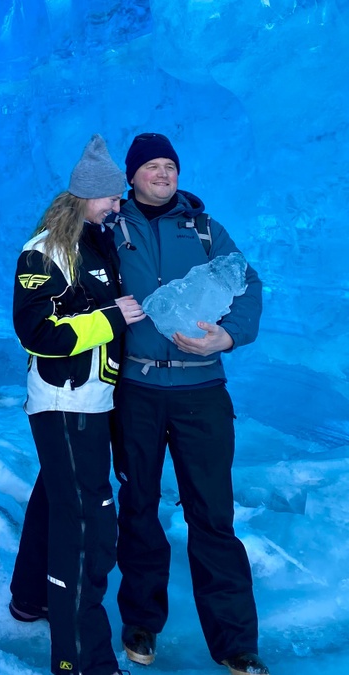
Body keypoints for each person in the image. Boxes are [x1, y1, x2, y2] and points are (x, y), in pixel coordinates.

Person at [111, 132, 269, 675]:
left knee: (212, 515)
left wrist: (226, 338)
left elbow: (248, 286)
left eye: (169, 165)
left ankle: (235, 643)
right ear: (131, 175)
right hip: (137, 391)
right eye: (151, 166)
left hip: (202, 391)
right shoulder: (111, 229)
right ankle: (141, 622)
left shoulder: (205, 229)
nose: (162, 173)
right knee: (138, 509)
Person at [9, 134, 145, 675]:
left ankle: (30, 598)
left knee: (55, 498)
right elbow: (36, 329)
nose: (119, 204)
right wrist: (112, 317)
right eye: (111, 197)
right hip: (66, 404)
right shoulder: (46, 251)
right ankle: (80, 658)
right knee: (86, 521)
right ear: (88, 195)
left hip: (94, 400)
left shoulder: (97, 241)